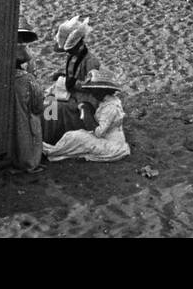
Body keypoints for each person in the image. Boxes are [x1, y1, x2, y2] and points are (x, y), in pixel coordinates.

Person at [44, 70, 130, 163]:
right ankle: (54, 149)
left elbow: (99, 133)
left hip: (111, 146)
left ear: (102, 91)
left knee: (76, 137)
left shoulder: (110, 107)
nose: (92, 94)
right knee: (72, 136)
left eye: (94, 91)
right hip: (107, 138)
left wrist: (86, 113)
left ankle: (52, 151)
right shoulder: (108, 102)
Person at [41, 15, 101, 145]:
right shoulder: (72, 56)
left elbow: (93, 86)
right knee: (48, 99)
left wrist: (73, 83)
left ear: (79, 43)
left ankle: (52, 137)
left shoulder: (91, 61)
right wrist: (61, 74)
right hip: (71, 91)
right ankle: (48, 135)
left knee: (56, 107)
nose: (68, 52)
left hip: (85, 97)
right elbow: (71, 73)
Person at [12, 41, 44, 174]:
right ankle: (30, 164)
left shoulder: (5, 77)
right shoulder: (28, 79)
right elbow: (38, 105)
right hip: (26, 117)